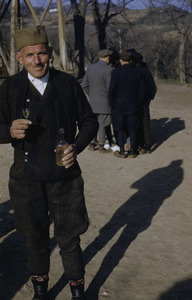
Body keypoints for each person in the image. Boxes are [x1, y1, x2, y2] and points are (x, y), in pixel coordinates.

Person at [0, 25, 98, 300]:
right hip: (25, 180)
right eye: (30, 55)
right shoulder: (9, 87)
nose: (37, 61)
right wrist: (8, 131)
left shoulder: (67, 84)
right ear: (19, 58)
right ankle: (41, 292)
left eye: (42, 53)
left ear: (50, 53)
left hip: (65, 178)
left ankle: (77, 291)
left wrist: (76, 147)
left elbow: (89, 121)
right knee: (36, 239)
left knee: (69, 239)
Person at [109, 51, 146, 158]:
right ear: (130, 60)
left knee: (120, 129)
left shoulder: (116, 72)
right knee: (133, 129)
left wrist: (112, 104)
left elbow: (111, 91)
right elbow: (142, 90)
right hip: (133, 105)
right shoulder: (138, 71)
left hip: (119, 106)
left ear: (120, 60)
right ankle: (133, 151)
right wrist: (137, 102)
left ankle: (122, 151)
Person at [81, 49, 113, 153]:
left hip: (93, 101)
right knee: (103, 123)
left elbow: (84, 85)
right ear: (108, 58)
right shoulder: (109, 70)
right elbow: (110, 89)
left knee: (93, 123)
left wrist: (91, 94)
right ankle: (101, 145)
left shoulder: (90, 68)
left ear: (99, 57)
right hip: (105, 102)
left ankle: (92, 143)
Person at [128, 49, 157, 153]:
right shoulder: (145, 69)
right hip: (145, 102)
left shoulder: (132, 70)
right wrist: (149, 98)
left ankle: (137, 145)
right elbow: (153, 87)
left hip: (135, 102)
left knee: (135, 123)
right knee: (145, 123)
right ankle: (147, 145)